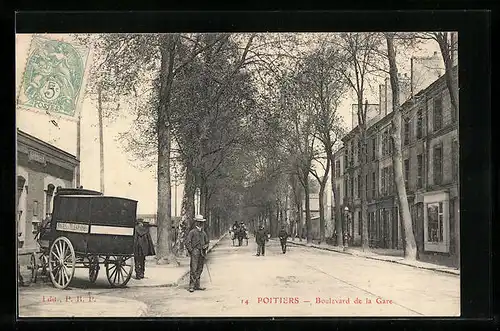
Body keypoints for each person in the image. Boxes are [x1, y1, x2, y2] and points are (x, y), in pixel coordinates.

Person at [185, 214, 209, 292]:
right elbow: (187, 242)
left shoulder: (203, 233)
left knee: (200, 268)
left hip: (202, 252)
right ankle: (191, 285)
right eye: (199, 222)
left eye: (201, 222)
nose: (200, 224)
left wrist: (205, 246)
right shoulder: (192, 232)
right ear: (196, 223)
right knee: (193, 269)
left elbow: (207, 242)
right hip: (195, 252)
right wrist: (191, 250)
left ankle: (197, 285)